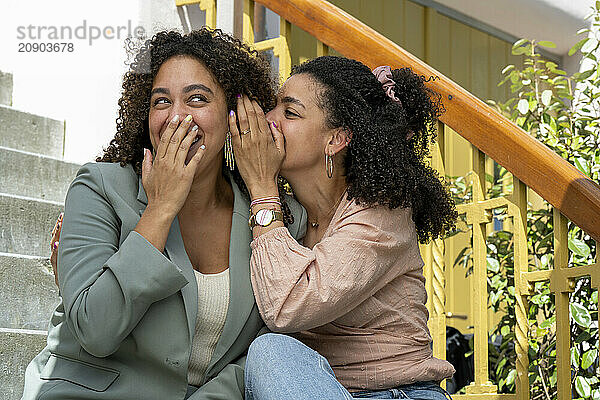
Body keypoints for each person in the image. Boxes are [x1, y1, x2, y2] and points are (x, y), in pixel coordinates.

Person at [21, 28, 305, 400]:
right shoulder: (99, 188)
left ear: (235, 116)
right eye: (161, 102)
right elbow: (94, 329)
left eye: (197, 99)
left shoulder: (275, 218)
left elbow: (260, 352)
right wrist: (161, 208)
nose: (176, 118)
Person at [229, 56, 457, 400]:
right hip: (320, 390)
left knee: (270, 351)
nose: (268, 120)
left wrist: (262, 187)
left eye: (289, 113)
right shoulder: (290, 216)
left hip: (399, 394)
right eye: (273, 106)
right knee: (271, 355)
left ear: (336, 140)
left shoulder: (383, 214)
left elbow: (286, 307)